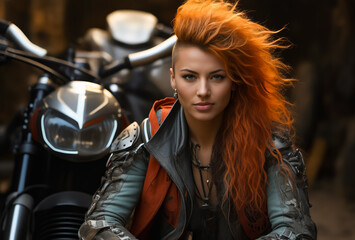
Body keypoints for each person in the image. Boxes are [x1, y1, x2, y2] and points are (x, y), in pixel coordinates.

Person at [78, 0, 317, 239]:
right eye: (190, 77)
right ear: (173, 79)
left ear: (233, 80)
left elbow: (295, 229)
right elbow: (100, 223)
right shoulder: (147, 137)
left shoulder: (270, 143)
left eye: (217, 77)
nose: (203, 90)